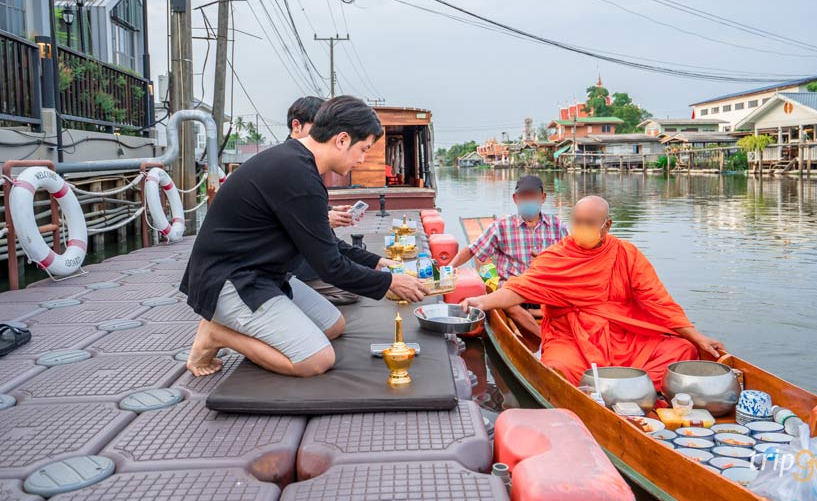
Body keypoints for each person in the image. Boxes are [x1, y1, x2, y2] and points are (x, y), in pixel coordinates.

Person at [182, 96, 428, 378]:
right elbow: (330, 266)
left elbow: (327, 244)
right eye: (363, 149)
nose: (361, 160)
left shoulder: (298, 165)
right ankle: (216, 334)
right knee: (316, 360)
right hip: (230, 281)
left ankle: (240, 325)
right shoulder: (297, 174)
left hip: (264, 275)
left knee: (333, 325)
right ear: (342, 139)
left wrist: (378, 264)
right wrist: (391, 282)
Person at [461, 195, 725, 388]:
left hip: (623, 335)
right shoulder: (556, 256)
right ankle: (624, 389)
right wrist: (481, 301)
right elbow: (518, 288)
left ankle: (614, 390)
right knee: (557, 370)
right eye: (577, 222)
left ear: (607, 225)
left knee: (682, 349)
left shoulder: (626, 254)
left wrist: (696, 336)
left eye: (589, 222)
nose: (581, 228)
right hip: (572, 336)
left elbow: (658, 301)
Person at [448, 175, 567, 339]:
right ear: (516, 199)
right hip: (513, 288)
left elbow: (570, 259)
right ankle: (543, 338)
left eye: (532, 196)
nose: (528, 200)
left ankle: (537, 312)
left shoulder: (557, 226)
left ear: (543, 197)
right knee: (507, 303)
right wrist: (448, 268)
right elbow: (472, 250)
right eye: (524, 196)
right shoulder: (502, 226)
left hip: (544, 288)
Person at [286, 96, 376, 305]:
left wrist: (329, 211)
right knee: (350, 291)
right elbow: (288, 220)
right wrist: (324, 219)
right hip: (287, 267)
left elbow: (297, 207)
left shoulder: (299, 162)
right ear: (296, 126)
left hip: (303, 257)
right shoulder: (294, 167)